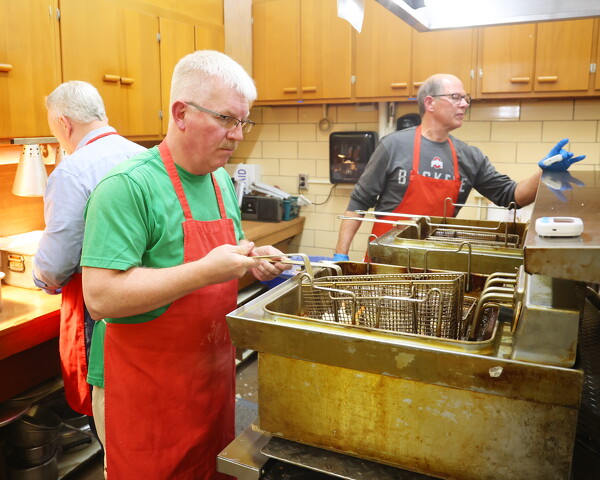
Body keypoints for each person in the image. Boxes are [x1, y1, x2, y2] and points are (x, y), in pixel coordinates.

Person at [80, 50, 289, 479]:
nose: (237, 135)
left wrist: (253, 260)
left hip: (211, 381)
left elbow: (226, 253)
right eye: (226, 119)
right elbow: (100, 298)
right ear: (181, 114)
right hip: (146, 393)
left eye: (243, 122)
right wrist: (205, 270)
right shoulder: (127, 187)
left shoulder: (220, 180)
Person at [333, 73, 585, 260]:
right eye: (456, 97)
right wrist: (341, 257)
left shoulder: (469, 156)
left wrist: (544, 173)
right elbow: (358, 203)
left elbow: (512, 196)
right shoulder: (393, 146)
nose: (464, 104)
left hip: (437, 266)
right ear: (430, 103)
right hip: (385, 264)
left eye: (466, 98)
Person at [33, 81, 146, 421]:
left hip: (97, 304)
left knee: (105, 402)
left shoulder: (72, 171)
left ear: (63, 123)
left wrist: (41, 279)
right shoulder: (145, 157)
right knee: (138, 399)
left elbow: (56, 264)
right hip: (147, 295)